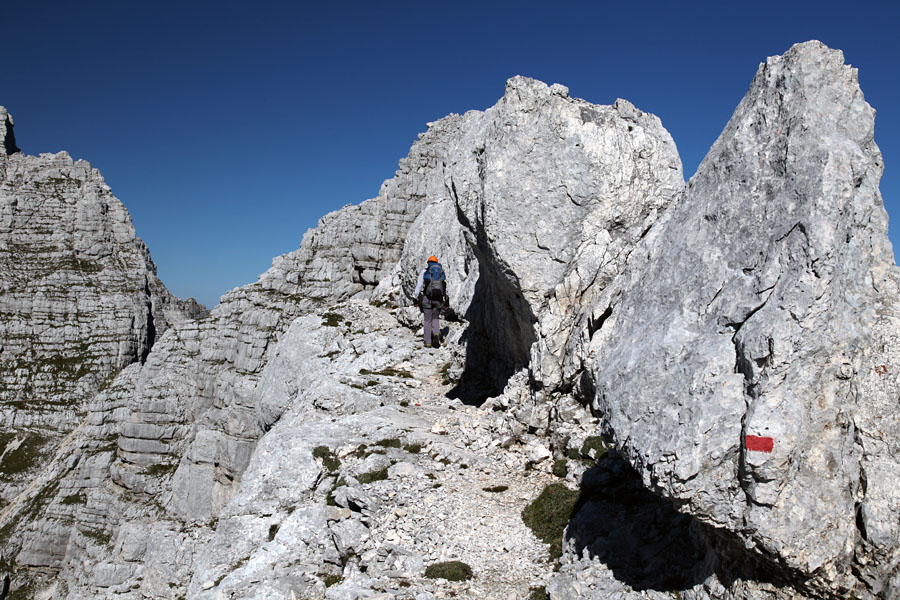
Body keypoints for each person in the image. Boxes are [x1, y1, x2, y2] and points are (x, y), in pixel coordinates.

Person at [413, 255, 448, 348]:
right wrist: (446, 299)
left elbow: (419, 285)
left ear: (428, 263)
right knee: (435, 317)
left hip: (427, 298)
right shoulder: (441, 272)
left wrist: (415, 297)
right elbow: (444, 286)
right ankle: (436, 333)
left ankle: (428, 342)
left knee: (427, 320)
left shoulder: (425, 271)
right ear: (437, 263)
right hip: (439, 299)